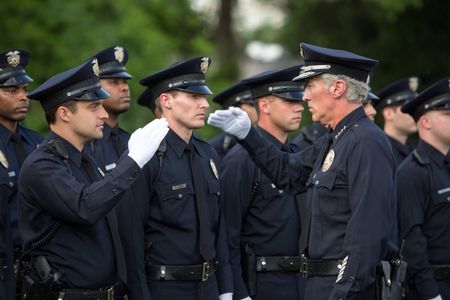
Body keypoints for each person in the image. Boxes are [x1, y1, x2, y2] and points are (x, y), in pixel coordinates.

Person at [208, 42, 398, 299]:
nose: (305, 96)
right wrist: (248, 135)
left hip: (342, 289)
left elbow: (366, 235)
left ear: (338, 88)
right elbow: (289, 173)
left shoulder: (366, 141)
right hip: (319, 285)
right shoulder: (336, 139)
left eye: (309, 86)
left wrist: (342, 294)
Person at [18, 58, 169, 299]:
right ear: (65, 113)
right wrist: (133, 161)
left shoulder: (86, 160)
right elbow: (85, 207)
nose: (103, 113)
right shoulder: (42, 165)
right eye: (93, 106)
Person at [118, 56, 233, 300]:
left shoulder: (207, 154)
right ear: (166, 100)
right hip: (166, 288)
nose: (204, 104)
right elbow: (130, 237)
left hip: (209, 287)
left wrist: (226, 290)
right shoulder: (144, 154)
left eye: (204, 96)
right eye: (193, 97)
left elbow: (219, 229)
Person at [220, 65, 306, 300]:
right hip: (263, 286)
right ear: (265, 106)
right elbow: (228, 236)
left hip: (303, 284)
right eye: (290, 101)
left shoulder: (298, 155)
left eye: (300, 100)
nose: (300, 107)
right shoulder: (241, 160)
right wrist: (239, 293)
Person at [397, 77, 450, 300]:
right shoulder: (412, 172)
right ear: (426, 122)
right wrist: (431, 295)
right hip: (434, 288)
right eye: (447, 115)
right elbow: (411, 242)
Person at [0, 49, 44, 300]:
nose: (23, 97)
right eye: (11, 90)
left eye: (25, 90)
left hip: (39, 273)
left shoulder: (38, 143)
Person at [87, 46, 133, 173]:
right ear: (95, 87)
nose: (124, 88)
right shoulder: (87, 144)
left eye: (125, 81)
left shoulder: (132, 141)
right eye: (114, 82)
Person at [376, 77, 419, 165]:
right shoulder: (379, 151)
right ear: (388, 114)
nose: (414, 113)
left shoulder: (414, 151)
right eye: (408, 109)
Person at [209, 82, 257, 159]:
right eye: (252, 104)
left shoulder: (267, 140)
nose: (258, 109)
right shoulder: (215, 148)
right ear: (235, 110)